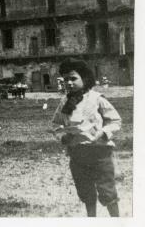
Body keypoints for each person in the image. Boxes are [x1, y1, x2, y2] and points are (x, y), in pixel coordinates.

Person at [52, 59, 122, 218]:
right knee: (86, 191)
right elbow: (55, 124)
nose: (69, 83)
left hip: (100, 153)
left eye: (73, 78)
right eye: (65, 80)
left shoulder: (97, 98)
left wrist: (103, 133)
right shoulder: (65, 101)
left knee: (107, 190)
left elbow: (115, 120)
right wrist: (63, 136)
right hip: (77, 154)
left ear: (85, 78)